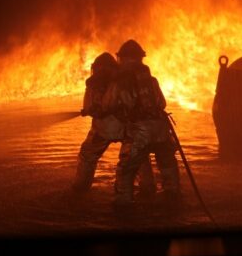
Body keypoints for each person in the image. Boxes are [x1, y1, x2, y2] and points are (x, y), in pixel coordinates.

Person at [104, 40, 181, 207]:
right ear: (141, 58)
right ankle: (173, 199)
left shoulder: (119, 82)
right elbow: (162, 104)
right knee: (168, 164)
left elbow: (107, 105)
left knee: (127, 168)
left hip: (139, 132)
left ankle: (123, 205)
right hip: (161, 129)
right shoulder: (152, 80)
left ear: (123, 58)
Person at [72, 52, 155, 194]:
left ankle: (81, 187)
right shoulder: (124, 80)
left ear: (96, 67)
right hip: (127, 128)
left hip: (102, 130)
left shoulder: (93, 82)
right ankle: (147, 187)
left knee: (87, 155)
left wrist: (89, 110)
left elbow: (90, 107)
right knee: (138, 156)